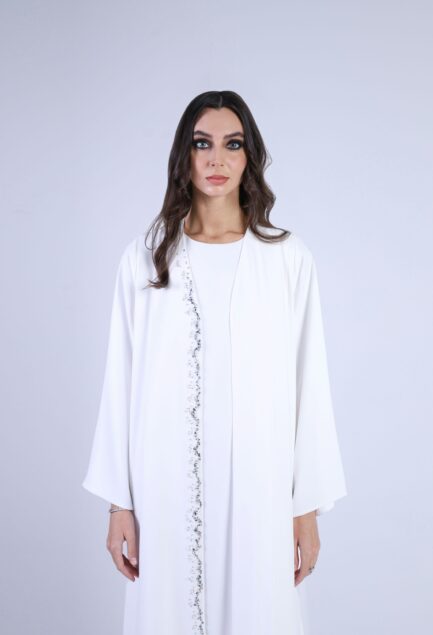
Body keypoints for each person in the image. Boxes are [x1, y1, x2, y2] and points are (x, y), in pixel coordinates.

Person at [82, 90, 348, 635]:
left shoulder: (286, 259)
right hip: (163, 488)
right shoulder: (146, 259)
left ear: (250, 156)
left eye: (233, 144)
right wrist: (118, 505)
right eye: (202, 144)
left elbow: (310, 385)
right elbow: (120, 385)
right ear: (184, 154)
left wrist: (305, 509)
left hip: (260, 487)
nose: (217, 159)